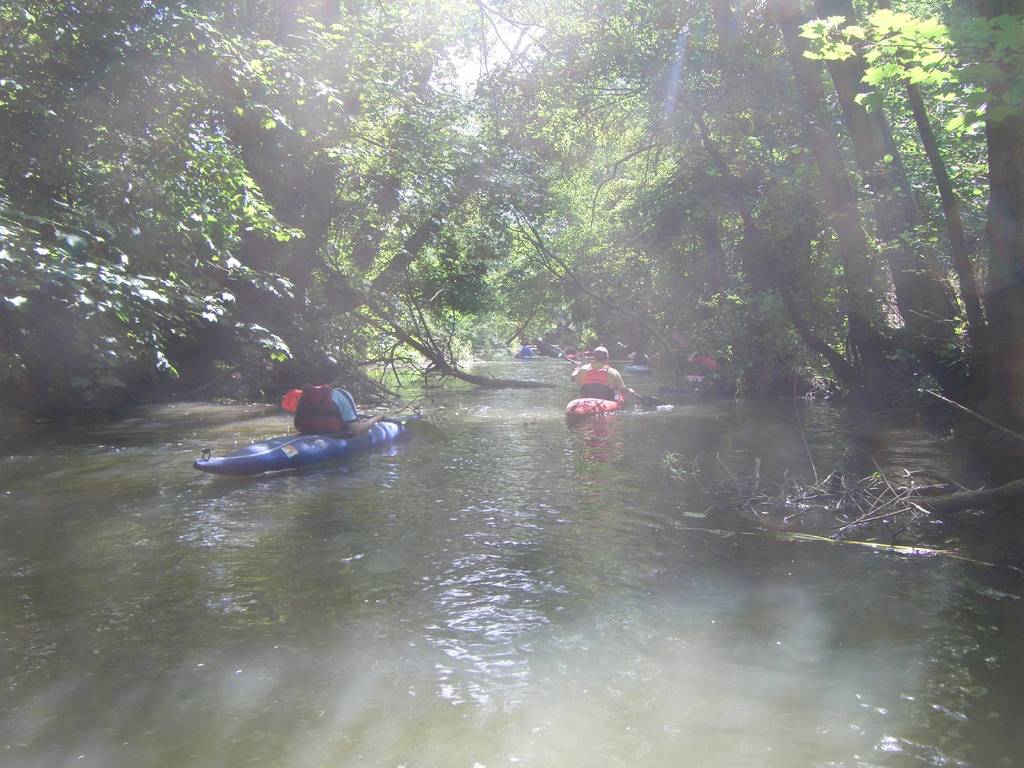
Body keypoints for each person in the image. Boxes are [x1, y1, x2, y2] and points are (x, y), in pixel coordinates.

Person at [293, 384, 384, 436]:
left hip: (307, 436)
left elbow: (297, 424)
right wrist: (376, 418)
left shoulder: (305, 395)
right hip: (333, 437)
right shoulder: (340, 394)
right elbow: (356, 430)